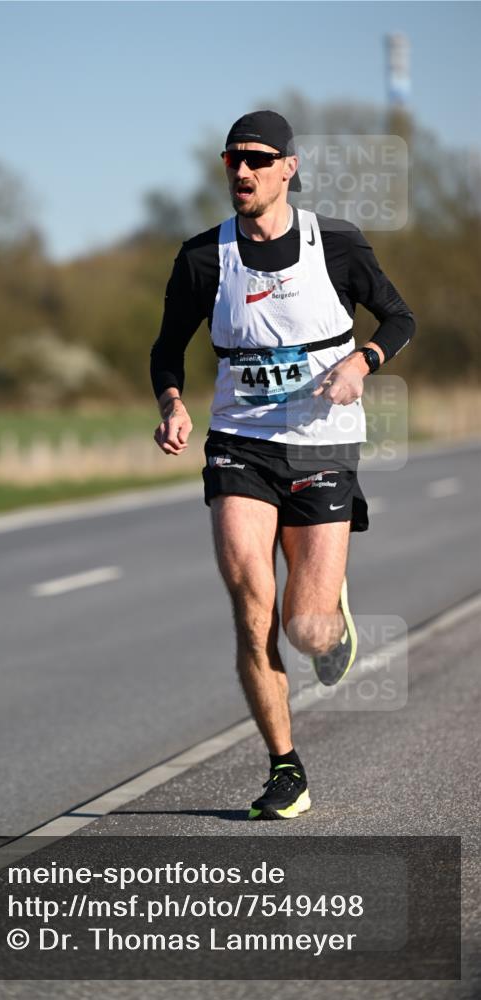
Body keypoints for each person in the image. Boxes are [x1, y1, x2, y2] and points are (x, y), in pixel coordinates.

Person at [150, 110, 415, 820]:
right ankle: (284, 768)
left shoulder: (334, 244)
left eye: (258, 159)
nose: (242, 170)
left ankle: (328, 610)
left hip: (322, 441)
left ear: (287, 168)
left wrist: (362, 362)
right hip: (239, 441)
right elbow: (166, 347)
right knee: (250, 608)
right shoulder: (204, 257)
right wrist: (173, 403)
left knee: (305, 627)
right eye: (231, 159)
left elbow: (398, 318)